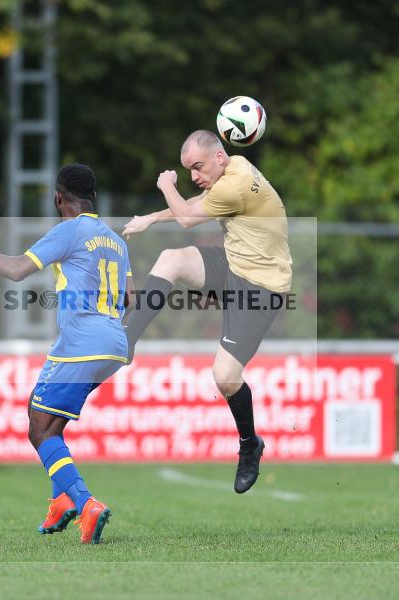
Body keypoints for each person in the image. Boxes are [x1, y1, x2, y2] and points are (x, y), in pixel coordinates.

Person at [0, 164, 132, 544]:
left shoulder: (69, 230)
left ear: (58, 197)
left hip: (81, 341)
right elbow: (128, 299)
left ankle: (85, 504)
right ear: (92, 197)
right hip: (115, 342)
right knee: (43, 413)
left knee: (39, 428)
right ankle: (61, 499)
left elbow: (16, 270)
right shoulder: (115, 240)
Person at [122, 130, 292, 494]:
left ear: (218, 157)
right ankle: (126, 338)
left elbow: (186, 217)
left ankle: (250, 445)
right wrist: (150, 218)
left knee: (225, 376)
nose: (193, 176)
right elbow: (196, 205)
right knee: (172, 259)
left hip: (261, 288)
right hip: (234, 266)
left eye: (197, 167)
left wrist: (167, 184)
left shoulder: (237, 184)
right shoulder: (235, 167)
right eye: (186, 172)